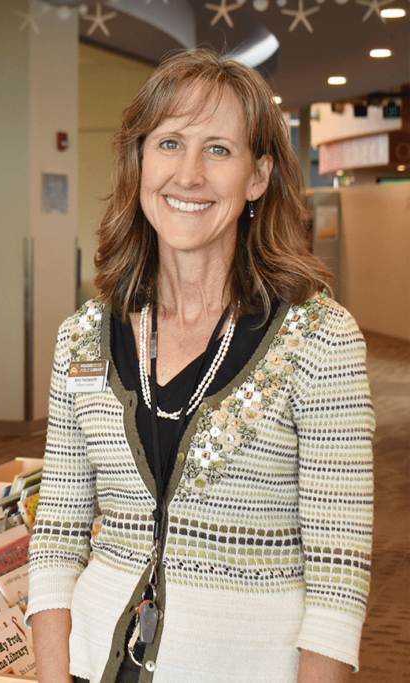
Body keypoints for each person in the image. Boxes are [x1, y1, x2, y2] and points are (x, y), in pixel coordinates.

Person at [26, 49, 374, 683]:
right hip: (93, 666)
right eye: (169, 143)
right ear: (138, 163)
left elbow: (338, 581)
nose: (188, 174)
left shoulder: (318, 337)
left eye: (219, 150)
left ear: (259, 176)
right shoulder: (82, 339)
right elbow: (55, 541)